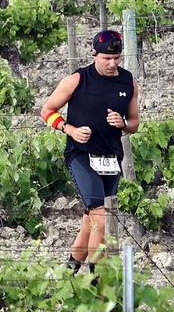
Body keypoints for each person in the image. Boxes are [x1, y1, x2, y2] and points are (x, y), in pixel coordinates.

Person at [40, 29, 139, 273]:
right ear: (94, 54)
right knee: (101, 218)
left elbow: (135, 123)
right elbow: (47, 111)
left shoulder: (128, 82)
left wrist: (123, 124)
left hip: (111, 157)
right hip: (81, 155)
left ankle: (69, 272)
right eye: (106, 58)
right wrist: (70, 129)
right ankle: (96, 278)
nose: (112, 64)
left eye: (116, 58)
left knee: (91, 219)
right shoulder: (77, 80)